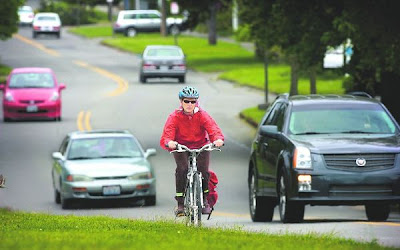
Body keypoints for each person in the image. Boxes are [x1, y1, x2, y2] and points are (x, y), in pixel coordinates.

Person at [160, 86, 224, 216]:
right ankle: (180, 204)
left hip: (201, 145)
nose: (189, 104)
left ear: (197, 102)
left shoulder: (202, 115)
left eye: (193, 101)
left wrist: (217, 140)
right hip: (181, 146)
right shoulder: (174, 116)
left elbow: (213, 129)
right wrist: (169, 142)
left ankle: (205, 201)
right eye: (186, 101)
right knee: (182, 169)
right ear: (181, 102)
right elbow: (167, 134)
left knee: (204, 171)